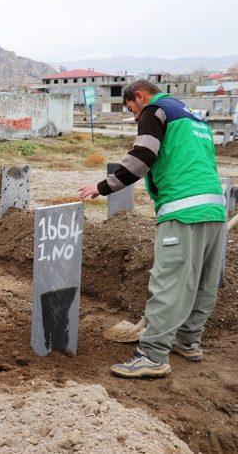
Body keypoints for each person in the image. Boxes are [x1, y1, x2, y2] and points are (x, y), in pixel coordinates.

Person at [79, 79, 226, 379]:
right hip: (214, 210)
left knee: (169, 283)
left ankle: (153, 355)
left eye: (133, 110)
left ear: (140, 96)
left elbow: (143, 157)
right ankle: (188, 342)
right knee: (203, 282)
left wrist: (103, 187)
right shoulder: (195, 117)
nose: (136, 118)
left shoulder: (155, 109)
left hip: (182, 211)